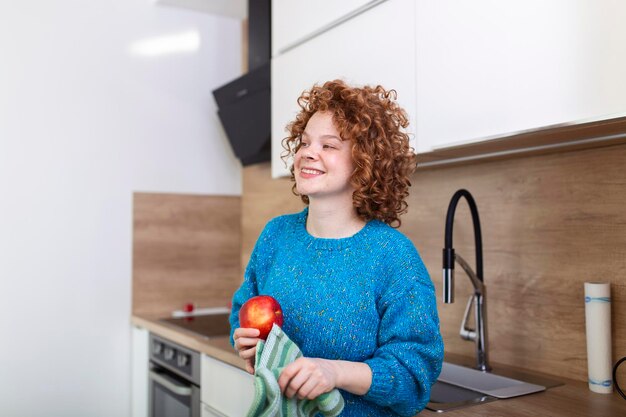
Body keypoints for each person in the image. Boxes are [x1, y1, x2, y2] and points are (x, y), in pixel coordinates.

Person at [229, 79, 443, 416]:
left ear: (364, 164)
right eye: (303, 142)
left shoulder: (393, 256)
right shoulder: (276, 235)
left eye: (328, 145)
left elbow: (413, 377)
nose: (307, 153)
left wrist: (334, 372)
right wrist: (245, 343)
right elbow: (243, 306)